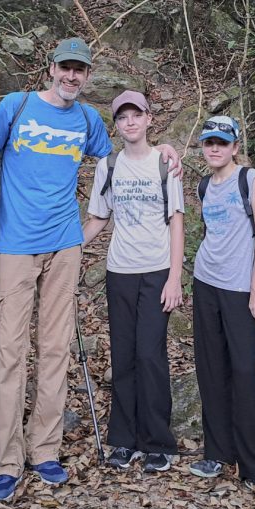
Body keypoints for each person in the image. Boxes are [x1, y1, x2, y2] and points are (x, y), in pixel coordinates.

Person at [0, 37, 181, 501]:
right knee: (9, 351)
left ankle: (44, 451)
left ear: (88, 76)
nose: (71, 76)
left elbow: (130, 150)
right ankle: (6, 461)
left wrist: (168, 146)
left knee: (55, 350)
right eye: (65, 67)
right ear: (50, 68)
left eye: (80, 70)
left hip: (65, 247)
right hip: (14, 245)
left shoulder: (90, 121)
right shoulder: (17, 106)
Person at [187, 115, 255, 505]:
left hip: (237, 289)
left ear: (234, 146)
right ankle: (217, 452)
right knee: (211, 368)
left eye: (221, 142)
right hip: (205, 283)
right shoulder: (203, 186)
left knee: (244, 371)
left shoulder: (250, 181)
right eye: (208, 142)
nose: (214, 148)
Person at [82, 90, 183, 473]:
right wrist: (66, 248)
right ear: (117, 125)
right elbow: (97, 219)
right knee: (123, 356)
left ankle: (158, 441)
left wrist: (175, 277)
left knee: (150, 355)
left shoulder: (165, 165)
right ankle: (123, 440)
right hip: (119, 271)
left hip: (156, 271)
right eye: (122, 117)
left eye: (136, 115)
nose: (130, 122)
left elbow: (176, 221)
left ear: (148, 119)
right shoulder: (108, 166)